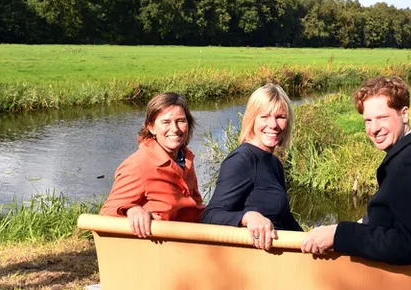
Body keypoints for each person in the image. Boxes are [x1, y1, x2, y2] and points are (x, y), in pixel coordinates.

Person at [301, 76, 411, 264]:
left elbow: (410, 244)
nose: (373, 129)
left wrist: (339, 234)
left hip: (409, 284)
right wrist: (359, 224)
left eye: (382, 118)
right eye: (367, 120)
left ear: (404, 114)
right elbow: (395, 218)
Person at [203, 84, 303, 250]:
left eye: (280, 117)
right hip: (251, 265)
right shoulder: (242, 160)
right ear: (252, 119)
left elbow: (284, 218)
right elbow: (210, 217)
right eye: (264, 116)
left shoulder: (274, 163)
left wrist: (312, 238)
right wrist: (247, 217)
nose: (273, 124)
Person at [100, 92, 205, 237]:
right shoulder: (137, 165)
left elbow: (196, 207)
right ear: (151, 127)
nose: (175, 129)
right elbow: (106, 214)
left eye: (181, 120)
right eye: (166, 122)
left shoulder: (185, 159)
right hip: (159, 250)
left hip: (190, 244)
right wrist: (131, 210)